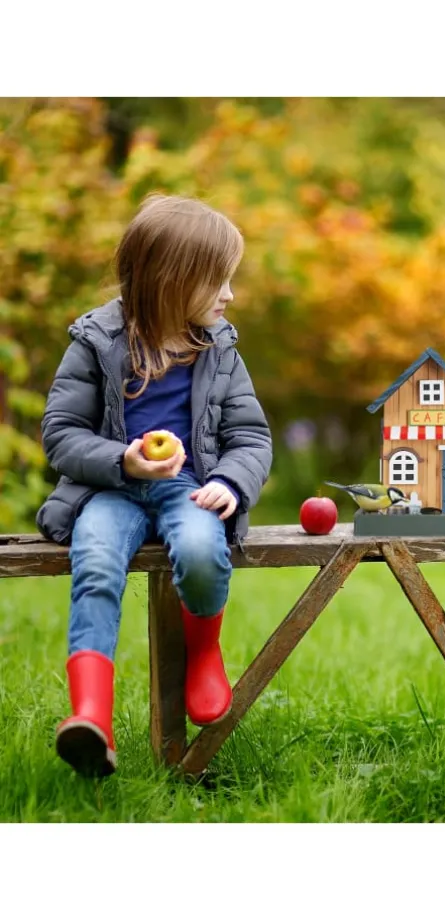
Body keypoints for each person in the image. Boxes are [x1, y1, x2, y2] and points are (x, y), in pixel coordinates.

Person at [36, 194, 273, 778]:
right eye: (218, 281)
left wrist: (230, 483)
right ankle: (91, 715)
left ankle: (204, 654)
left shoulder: (218, 349)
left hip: (188, 487)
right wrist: (123, 459)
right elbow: (61, 434)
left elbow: (251, 436)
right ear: (174, 280)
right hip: (110, 490)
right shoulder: (95, 342)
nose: (229, 294)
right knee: (95, 564)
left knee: (199, 548)